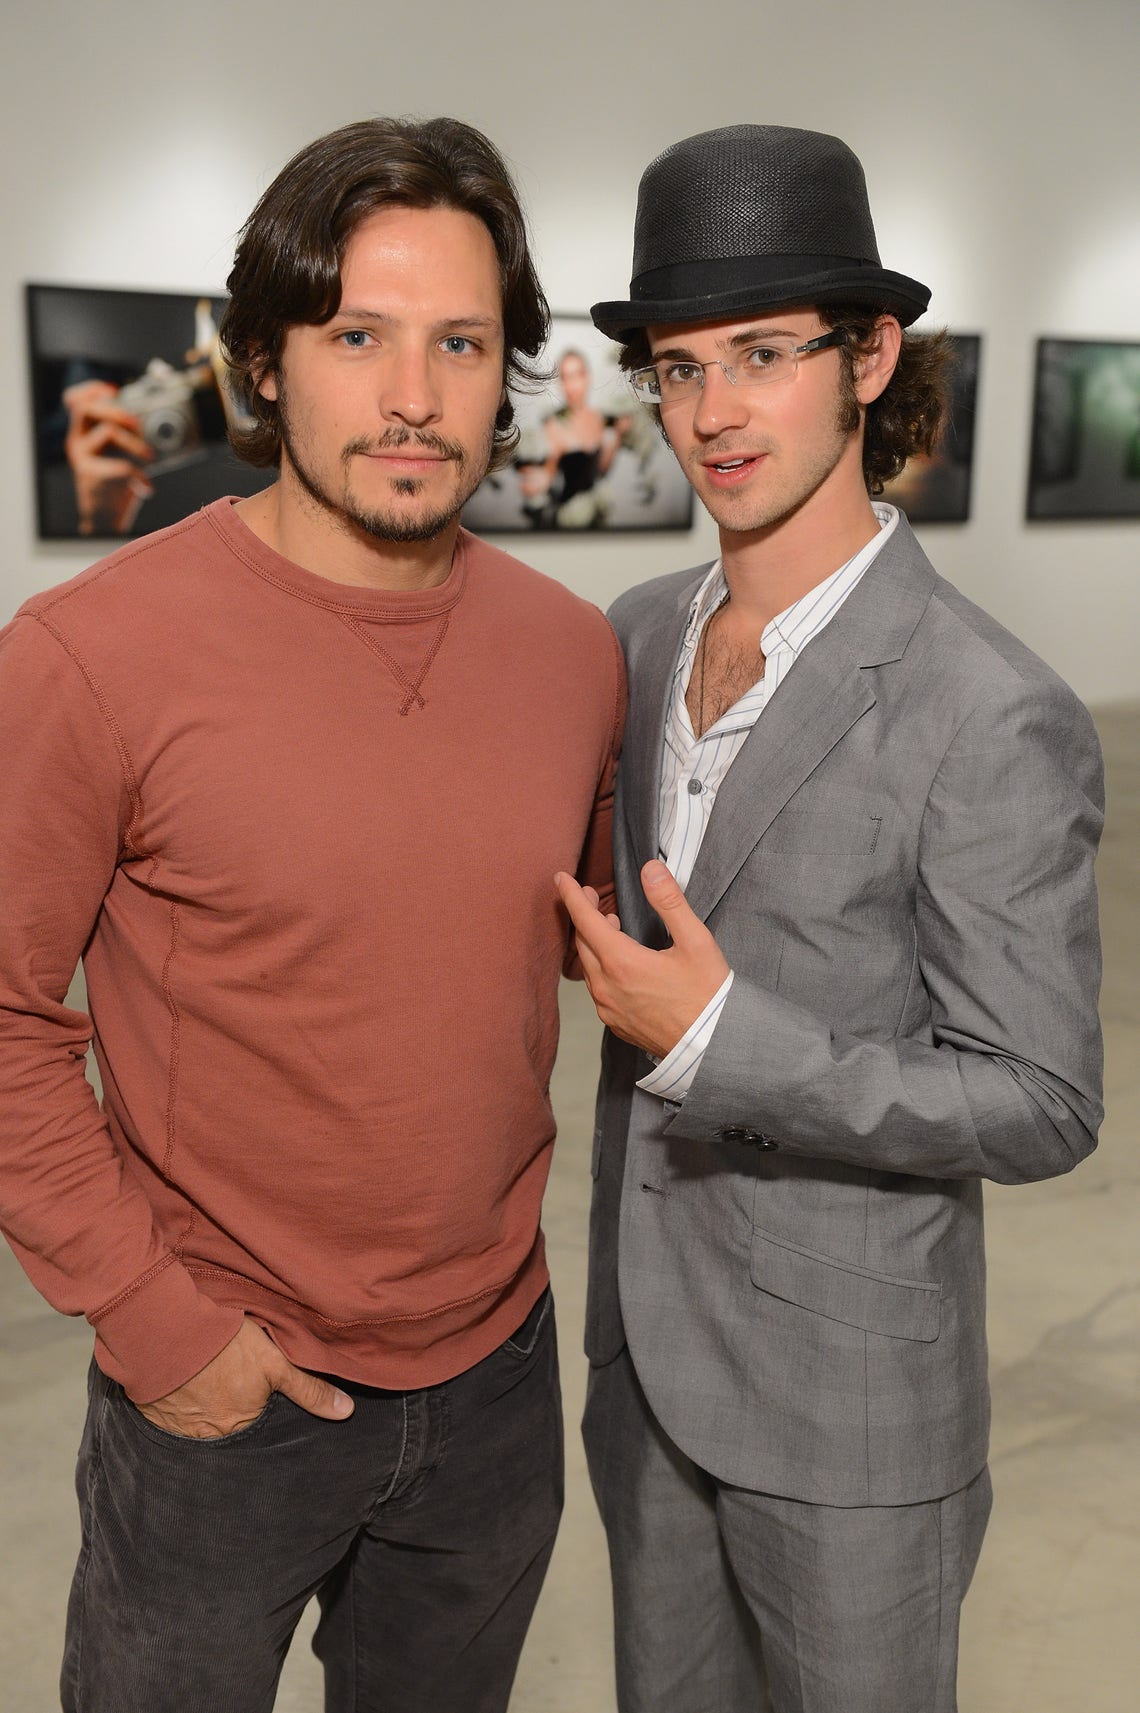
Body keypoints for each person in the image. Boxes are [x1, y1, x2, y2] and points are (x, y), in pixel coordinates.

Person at [0, 116, 624, 1713]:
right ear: (265, 362)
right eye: (358, 334)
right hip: (221, 1385)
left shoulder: (570, 660)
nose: (414, 395)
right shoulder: (91, 656)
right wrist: (156, 1322)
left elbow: (596, 950)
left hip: (494, 1383)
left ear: (508, 373)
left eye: (461, 342)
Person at [555, 124, 1103, 1713]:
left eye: (763, 355)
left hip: (851, 1419)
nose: (713, 413)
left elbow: (1044, 1097)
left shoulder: (991, 707)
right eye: (676, 367)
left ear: (869, 357)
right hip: (644, 1374)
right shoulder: (640, 633)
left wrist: (726, 1044)